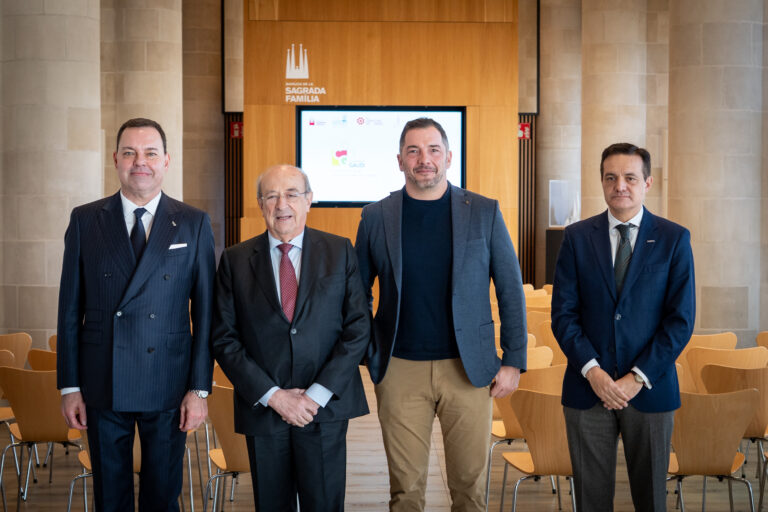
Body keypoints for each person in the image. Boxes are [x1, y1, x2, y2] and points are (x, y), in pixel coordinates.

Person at [355, 118, 528, 511]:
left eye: (433, 150)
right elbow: (356, 293)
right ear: (399, 160)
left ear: (449, 157)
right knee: (406, 490)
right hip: (399, 369)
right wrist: (368, 350)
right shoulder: (376, 217)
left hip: (469, 369)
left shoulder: (484, 211)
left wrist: (514, 359)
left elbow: (509, 287)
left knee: (470, 489)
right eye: (413, 151)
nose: (424, 160)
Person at [57, 118, 215, 511]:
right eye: (129, 153)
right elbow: (69, 309)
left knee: (163, 496)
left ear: (166, 161)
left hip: (170, 381)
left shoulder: (194, 223)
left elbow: (207, 312)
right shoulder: (85, 220)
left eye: (149, 153)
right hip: (102, 381)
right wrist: (69, 386)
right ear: (115, 160)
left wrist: (199, 389)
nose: (139, 162)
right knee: (111, 497)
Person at [211, 164, 370, 511]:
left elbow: (358, 327)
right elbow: (224, 337)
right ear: (260, 204)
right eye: (271, 195)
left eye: (292, 194)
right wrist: (275, 397)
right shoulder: (235, 261)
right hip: (266, 409)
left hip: (324, 410)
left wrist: (316, 395)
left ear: (309, 200)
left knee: (325, 505)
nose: (282, 204)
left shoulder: (340, 250)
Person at [551, 142, 696, 511]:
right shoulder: (577, 237)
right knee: (591, 501)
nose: (620, 186)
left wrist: (636, 378)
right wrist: (594, 372)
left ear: (647, 182)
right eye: (611, 177)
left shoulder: (673, 238)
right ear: (601, 182)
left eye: (630, 177)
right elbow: (563, 315)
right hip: (588, 392)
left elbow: (680, 321)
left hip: (650, 391)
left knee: (650, 500)